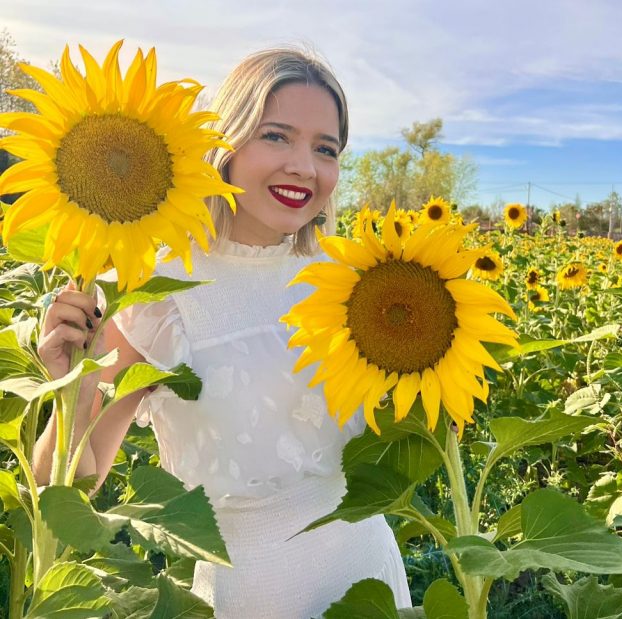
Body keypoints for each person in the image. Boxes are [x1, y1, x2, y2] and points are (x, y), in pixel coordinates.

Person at [33, 47, 412, 618]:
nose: (304, 168)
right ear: (226, 145)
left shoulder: (348, 282)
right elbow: (65, 489)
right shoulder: (155, 290)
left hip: (368, 576)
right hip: (251, 593)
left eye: (325, 149)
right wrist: (71, 390)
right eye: (277, 137)